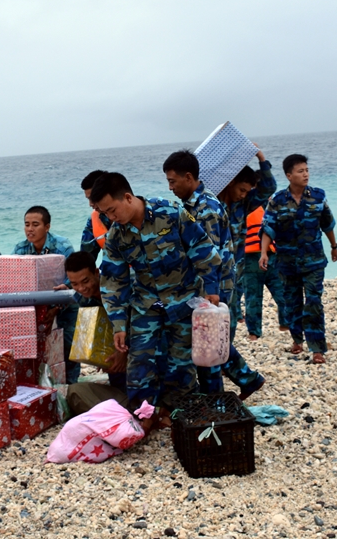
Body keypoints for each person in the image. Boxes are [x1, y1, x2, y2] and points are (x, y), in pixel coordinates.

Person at [90, 172, 221, 424]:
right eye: (104, 213)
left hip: (183, 301)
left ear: (128, 197)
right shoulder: (117, 235)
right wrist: (119, 324)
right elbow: (113, 282)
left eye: (112, 210)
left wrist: (212, 288)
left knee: (181, 364)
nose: (110, 217)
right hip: (147, 305)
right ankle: (143, 417)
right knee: (139, 364)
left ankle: (178, 415)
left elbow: (202, 249)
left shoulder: (170, 212)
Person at [163, 149, 264, 398]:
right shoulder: (192, 204)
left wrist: (212, 292)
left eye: (172, 181)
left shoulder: (205, 208)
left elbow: (211, 255)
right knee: (208, 337)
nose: (170, 188)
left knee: (207, 341)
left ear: (188, 177)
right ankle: (247, 378)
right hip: (207, 284)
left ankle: (215, 402)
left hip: (213, 285)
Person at [260, 154, 337, 364]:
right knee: (292, 302)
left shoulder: (318, 196)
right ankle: (297, 340)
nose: (305, 174)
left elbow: (327, 224)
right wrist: (264, 252)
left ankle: (317, 348)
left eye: (306, 170)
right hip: (287, 261)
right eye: (300, 171)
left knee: (313, 302)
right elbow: (268, 228)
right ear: (288, 175)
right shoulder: (276, 200)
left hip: (313, 260)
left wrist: (334, 246)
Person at [13, 205, 81, 383]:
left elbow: (70, 280)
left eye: (35, 224)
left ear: (47, 227)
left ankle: (71, 387)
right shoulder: (20, 249)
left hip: (64, 305)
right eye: (27, 224)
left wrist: (54, 308)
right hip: (34, 307)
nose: (30, 229)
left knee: (69, 348)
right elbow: (13, 278)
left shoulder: (62, 246)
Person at [217, 148, 278, 343]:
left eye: (247, 192)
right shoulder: (211, 202)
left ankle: (226, 354)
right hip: (211, 270)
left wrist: (261, 158)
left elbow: (269, 188)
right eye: (241, 190)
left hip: (235, 269)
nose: (243, 195)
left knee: (232, 315)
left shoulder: (244, 204)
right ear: (231, 182)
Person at [64, 250, 127, 394]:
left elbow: (140, 325)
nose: (81, 288)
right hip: (114, 350)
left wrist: (123, 352)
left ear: (96, 272)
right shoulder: (82, 298)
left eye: (85, 281)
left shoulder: (118, 289)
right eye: (74, 284)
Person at [242, 205, 290, 339]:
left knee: (282, 291)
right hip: (250, 258)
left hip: (272, 255)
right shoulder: (241, 206)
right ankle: (254, 331)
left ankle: (285, 323)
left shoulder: (271, 203)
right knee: (253, 297)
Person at [79, 170, 111, 259]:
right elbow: (86, 257)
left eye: (94, 198)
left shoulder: (131, 214)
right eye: (88, 199)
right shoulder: (94, 220)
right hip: (112, 270)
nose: (91, 204)